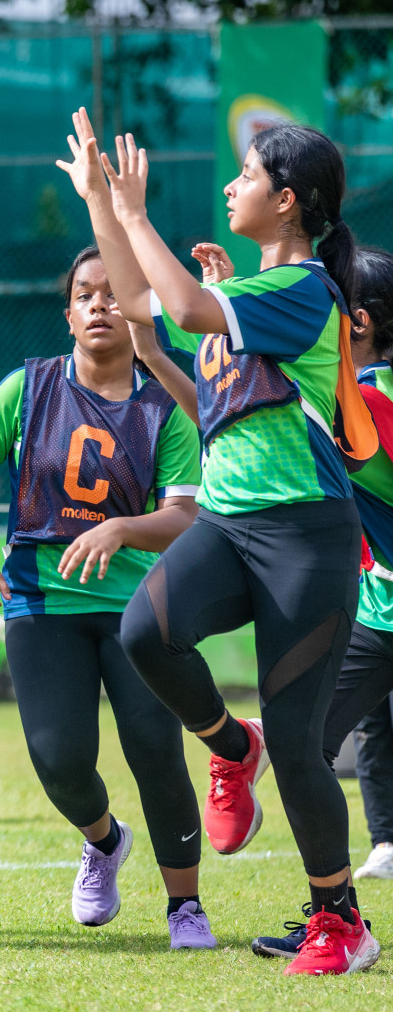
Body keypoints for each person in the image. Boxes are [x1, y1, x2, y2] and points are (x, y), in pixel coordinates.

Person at [58, 107, 380, 975]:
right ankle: (234, 750)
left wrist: (133, 214)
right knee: (143, 635)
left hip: (306, 537)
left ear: (288, 201)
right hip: (233, 527)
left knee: (303, 739)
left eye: (245, 176)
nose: (231, 186)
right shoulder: (249, 296)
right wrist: (99, 202)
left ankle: (339, 922)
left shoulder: (307, 288)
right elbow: (141, 306)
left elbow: (187, 306)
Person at [0, 247, 210, 947]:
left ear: (142, 313)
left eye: (116, 295)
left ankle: (185, 906)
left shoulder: (166, 407)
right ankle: (103, 840)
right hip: (41, 604)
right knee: (58, 756)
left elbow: (185, 516)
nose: (100, 305)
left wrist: (122, 529)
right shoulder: (27, 389)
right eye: (85, 295)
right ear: (67, 315)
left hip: (139, 608)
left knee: (156, 746)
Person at [248, 245, 393, 957]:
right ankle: (337, 919)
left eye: (323, 305)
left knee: (304, 743)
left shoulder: (367, 399)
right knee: (303, 743)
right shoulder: (349, 392)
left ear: (354, 320)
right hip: (378, 609)